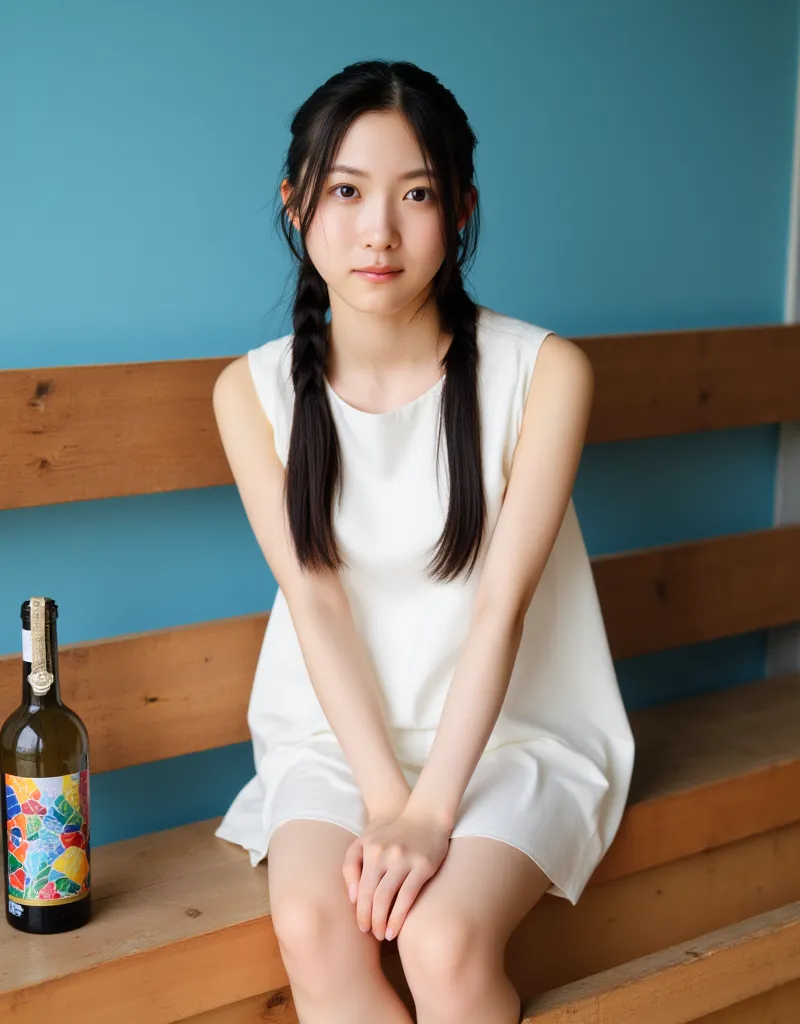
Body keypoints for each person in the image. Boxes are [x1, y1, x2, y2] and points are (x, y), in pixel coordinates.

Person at [212, 59, 635, 1024]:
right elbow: (315, 606)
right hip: (335, 735)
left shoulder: (545, 374)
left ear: (463, 209)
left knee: (441, 941)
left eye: (418, 194)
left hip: (513, 735)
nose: (380, 231)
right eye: (347, 192)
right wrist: (384, 801)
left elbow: (501, 608)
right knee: (319, 927)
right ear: (295, 205)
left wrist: (429, 814)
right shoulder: (253, 394)